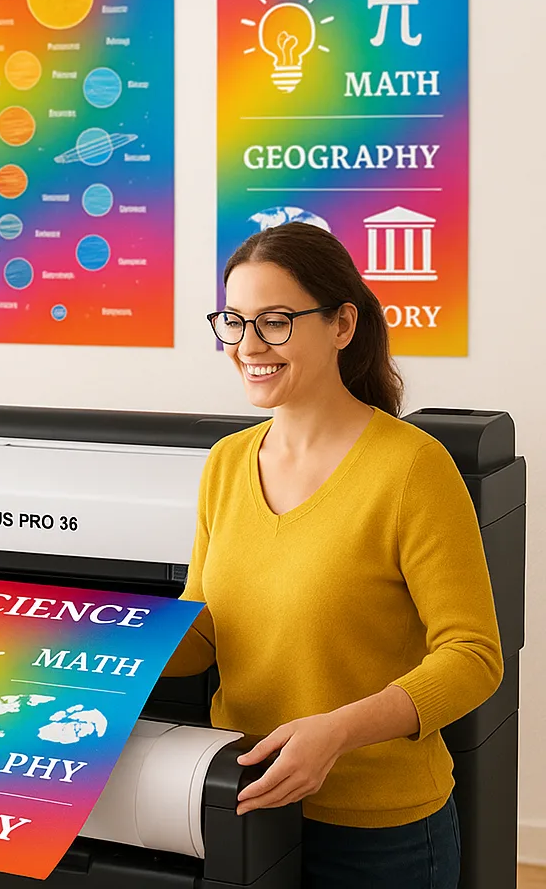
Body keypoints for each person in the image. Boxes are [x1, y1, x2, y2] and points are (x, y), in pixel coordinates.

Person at [166, 223, 502, 889]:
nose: (249, 346)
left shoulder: (412, 469)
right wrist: (89, 654)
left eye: (276, 321)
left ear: (342, 324)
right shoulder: (227, 463)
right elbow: (205, 628)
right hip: (242, 797)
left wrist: (338, 732)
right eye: (233, 322)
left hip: (375, 829)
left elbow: (473, 656)